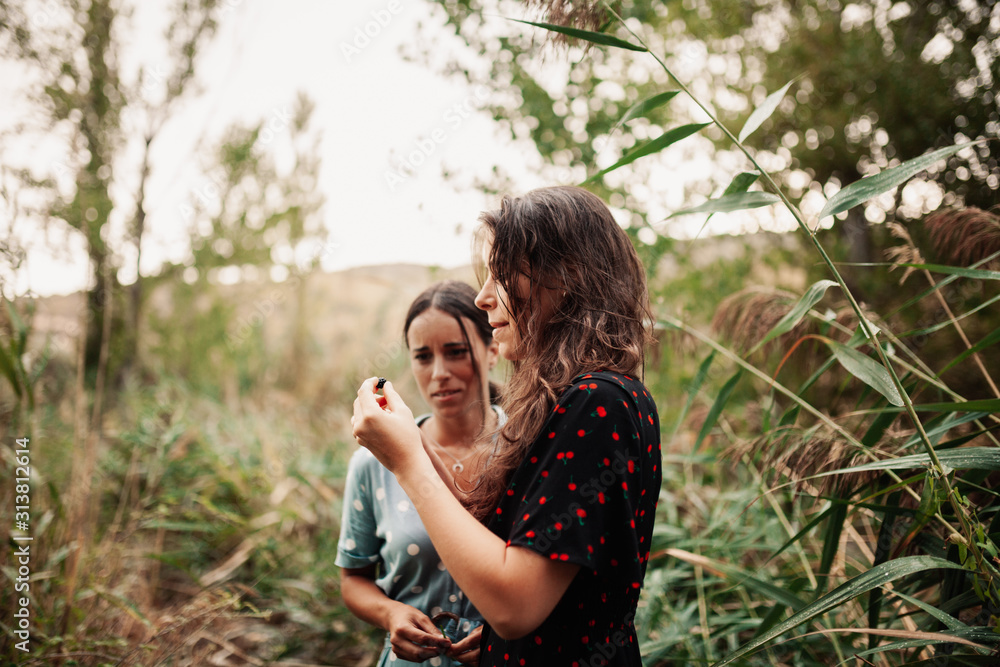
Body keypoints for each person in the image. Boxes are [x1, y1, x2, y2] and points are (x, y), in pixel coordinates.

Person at [352, 185, 662, 665]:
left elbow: (516, 605)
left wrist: (407, 462)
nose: (482, 298)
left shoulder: (595, 402)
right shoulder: (585, 400)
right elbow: (535, 569)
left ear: (565, 275)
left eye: (500, 276)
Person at [337, 280, 504, 666]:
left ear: (492, 350)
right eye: (423, 356)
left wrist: (510, 632)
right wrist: (391, 613)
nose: (440, 372)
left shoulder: (530, 447)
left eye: (456, 352)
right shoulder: (374, 461)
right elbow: (353, 579)